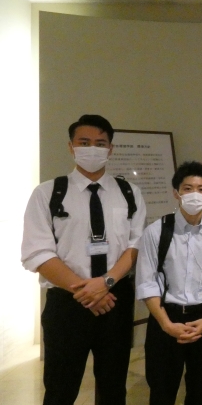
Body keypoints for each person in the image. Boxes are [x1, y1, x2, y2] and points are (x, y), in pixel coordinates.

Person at [21, 114, 147, 405]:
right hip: (67, 303)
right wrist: (86, 291)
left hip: (115, 300)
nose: (93, 149)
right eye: (84, 142)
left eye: (100, 143)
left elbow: (136, 244)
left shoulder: (129, 193)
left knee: (113, 388)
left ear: (110, 149)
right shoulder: (48, 193)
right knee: (60, 389)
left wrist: (106, 282)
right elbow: (38, 252)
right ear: (71, 147)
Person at [136, 161, 202, 405]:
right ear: (176, 193)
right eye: (187, 188)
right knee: (162, 388)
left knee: (199, 386)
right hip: (165, 317)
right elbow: (147, 282)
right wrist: (167, 324)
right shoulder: (156, 231)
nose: (194, 194)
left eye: (201, 189)